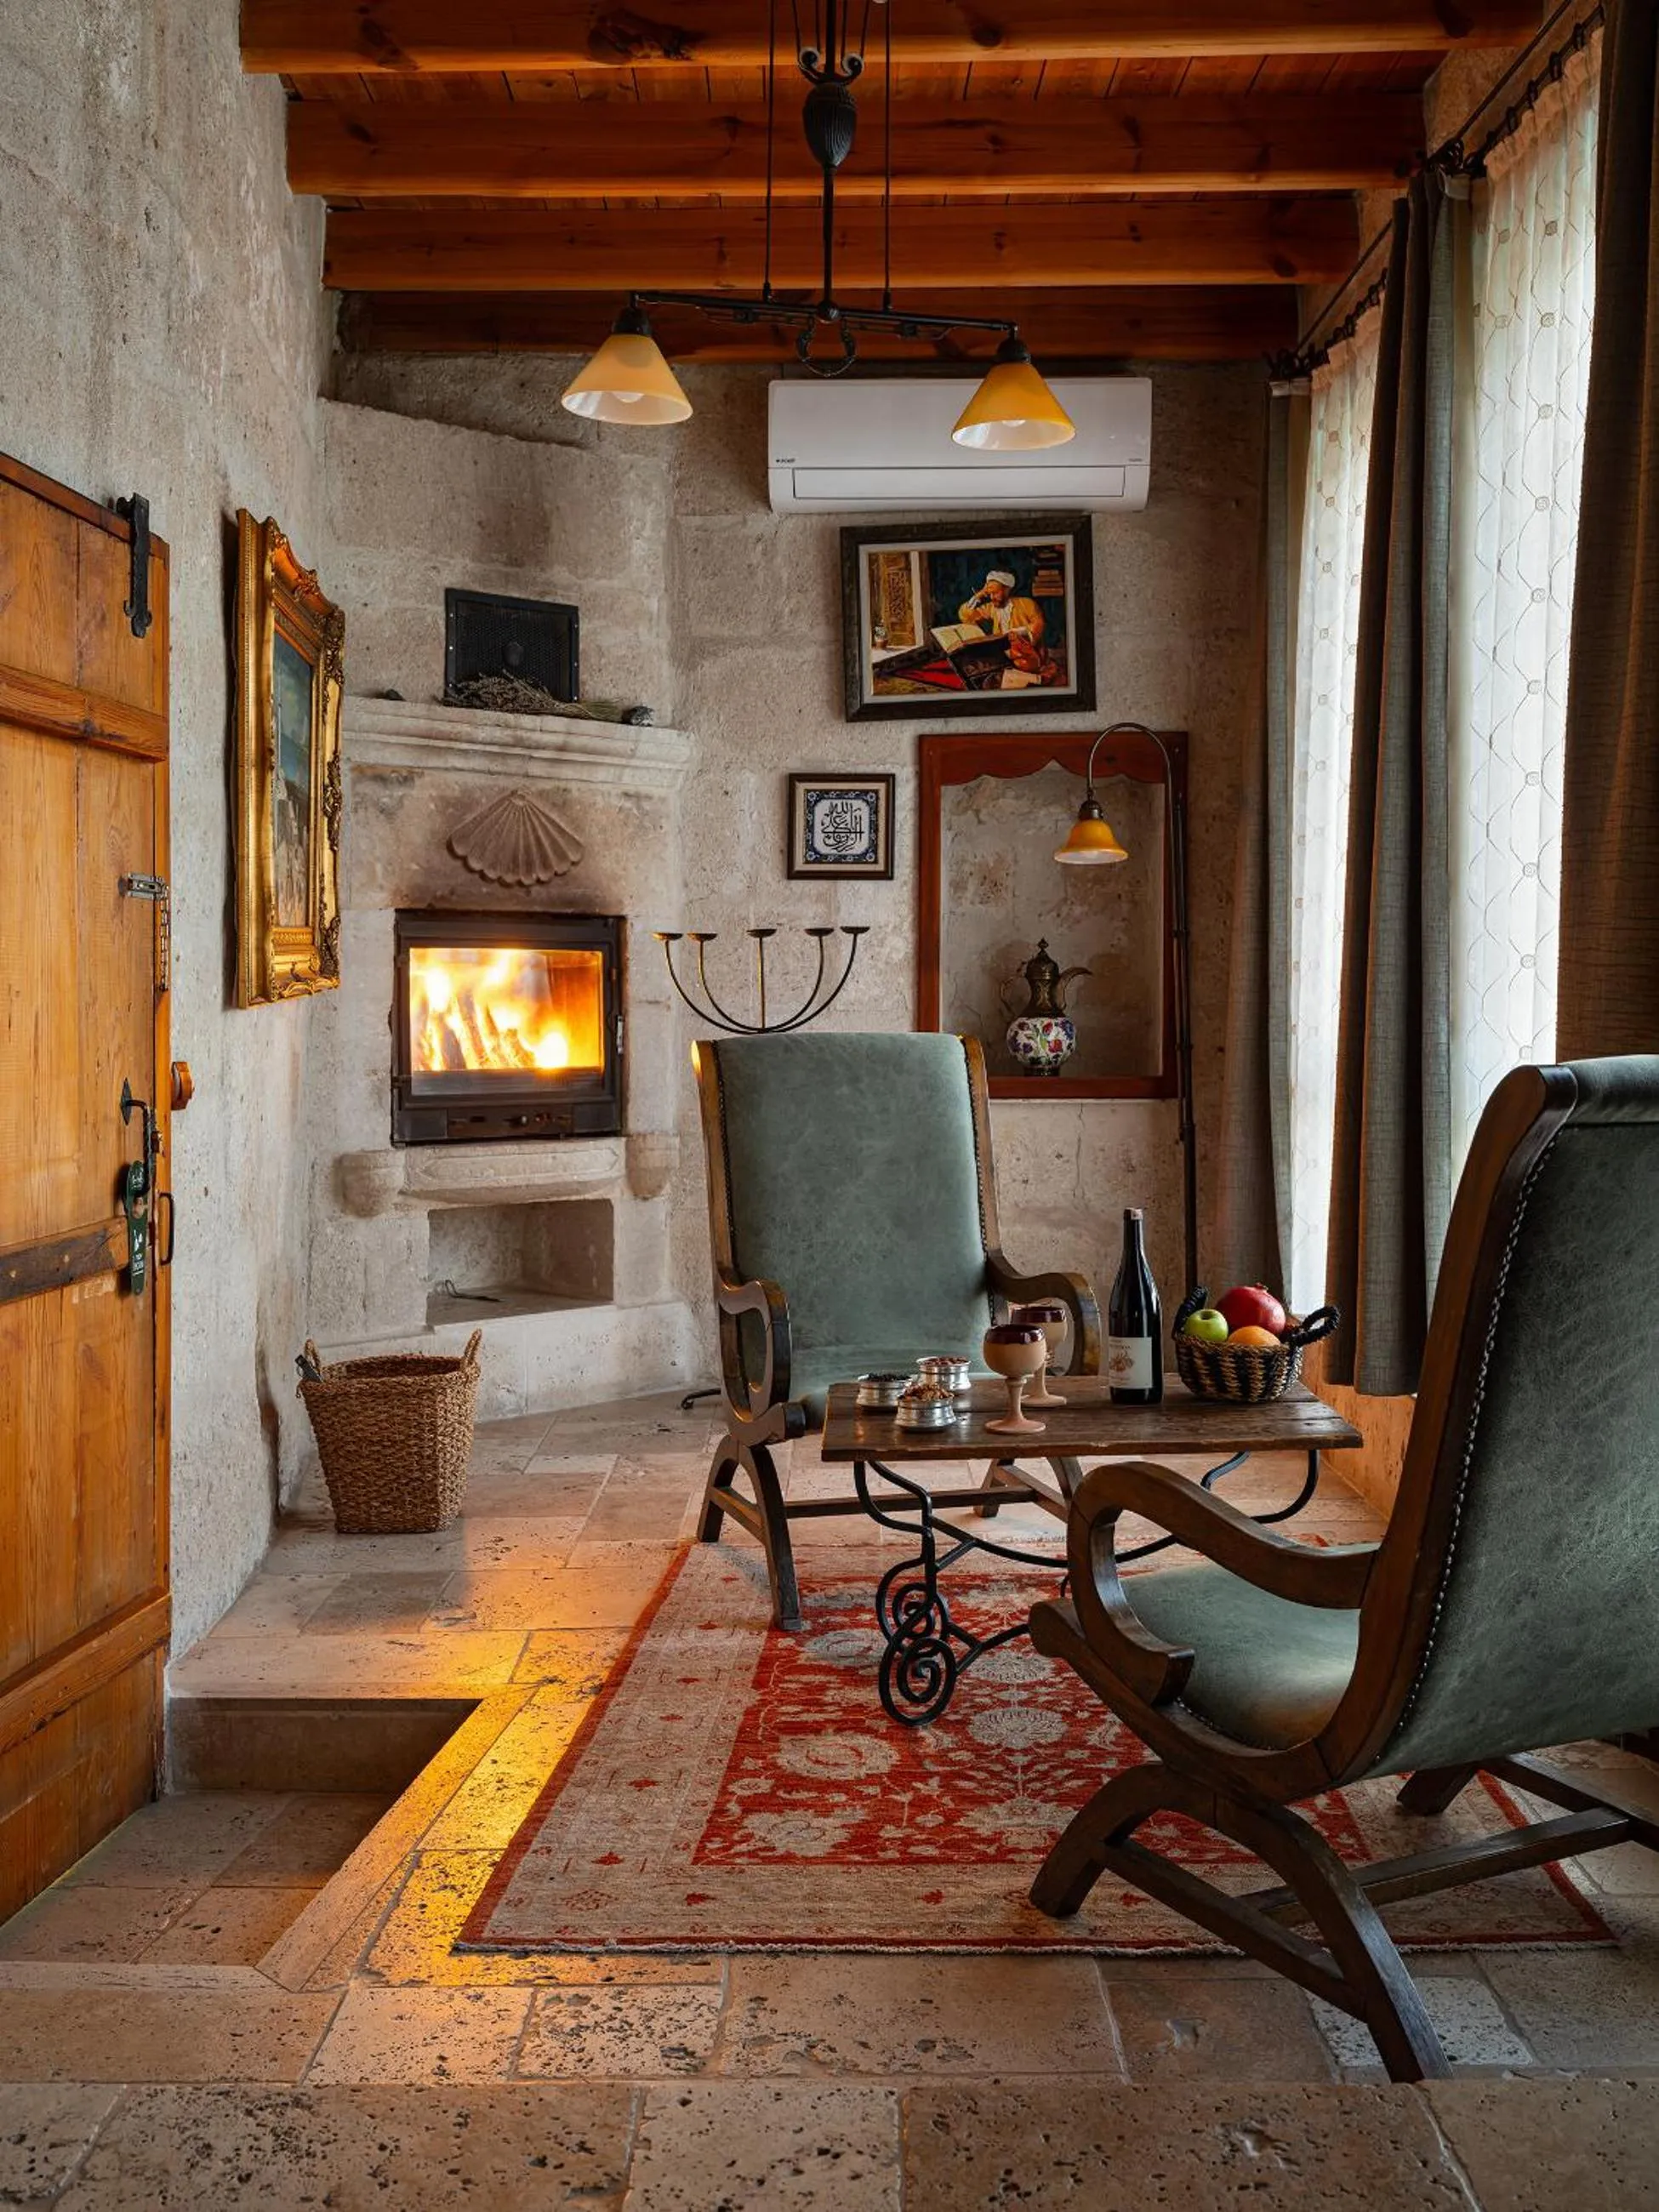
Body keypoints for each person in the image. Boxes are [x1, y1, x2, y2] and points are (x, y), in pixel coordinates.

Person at [957, 567, 1053, 682]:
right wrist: (979, 595)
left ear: (1007, 589)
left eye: (995, 593)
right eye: (990, 594)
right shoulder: (992, 608)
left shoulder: (1027, 603)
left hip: (1027, 654)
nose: (992, 597)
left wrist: (1017, 633)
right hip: (1003, 655)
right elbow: (966, 616)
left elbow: (1038, 624)